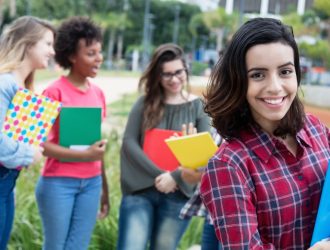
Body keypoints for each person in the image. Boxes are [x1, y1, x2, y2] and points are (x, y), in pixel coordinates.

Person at [200, 17, 330, 249]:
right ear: (238, 81)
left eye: (285, 71)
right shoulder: (228, 166)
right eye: (258, 75)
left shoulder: (316, 129)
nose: (275, 87)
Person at [117, 43, 210, 250]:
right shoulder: (143, 104)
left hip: (178, 194)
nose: (174, 79)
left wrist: (174, 177)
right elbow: (129, 143)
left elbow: (204, 155)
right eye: (166, 74)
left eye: (178, 72)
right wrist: (161, 175)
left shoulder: (199, 108)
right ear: (157, 76)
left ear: (186, 70)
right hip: (140, 190)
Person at [35, 17, 109, 250]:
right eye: (91, 53)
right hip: (59, 183)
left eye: (99, 52)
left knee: (78, 246)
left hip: (91, 183)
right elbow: (39, 144)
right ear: (71, 56)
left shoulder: (98, 93)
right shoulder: (52, 91)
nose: (99, 58)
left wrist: (104, 189)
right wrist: (85, 156)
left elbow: (97, 148)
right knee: (56, 247)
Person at [0, 16, 55, 249]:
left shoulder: (24, 87)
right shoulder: (4, 84)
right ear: (28, 43)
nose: (53, 52)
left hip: (7, 184)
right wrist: (29, 153)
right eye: (48, 44)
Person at [180, 127, 223, 250]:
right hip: (213, 215)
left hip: (236, 217)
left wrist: (199, 175)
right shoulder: (217, 128)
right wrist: (191, 170)